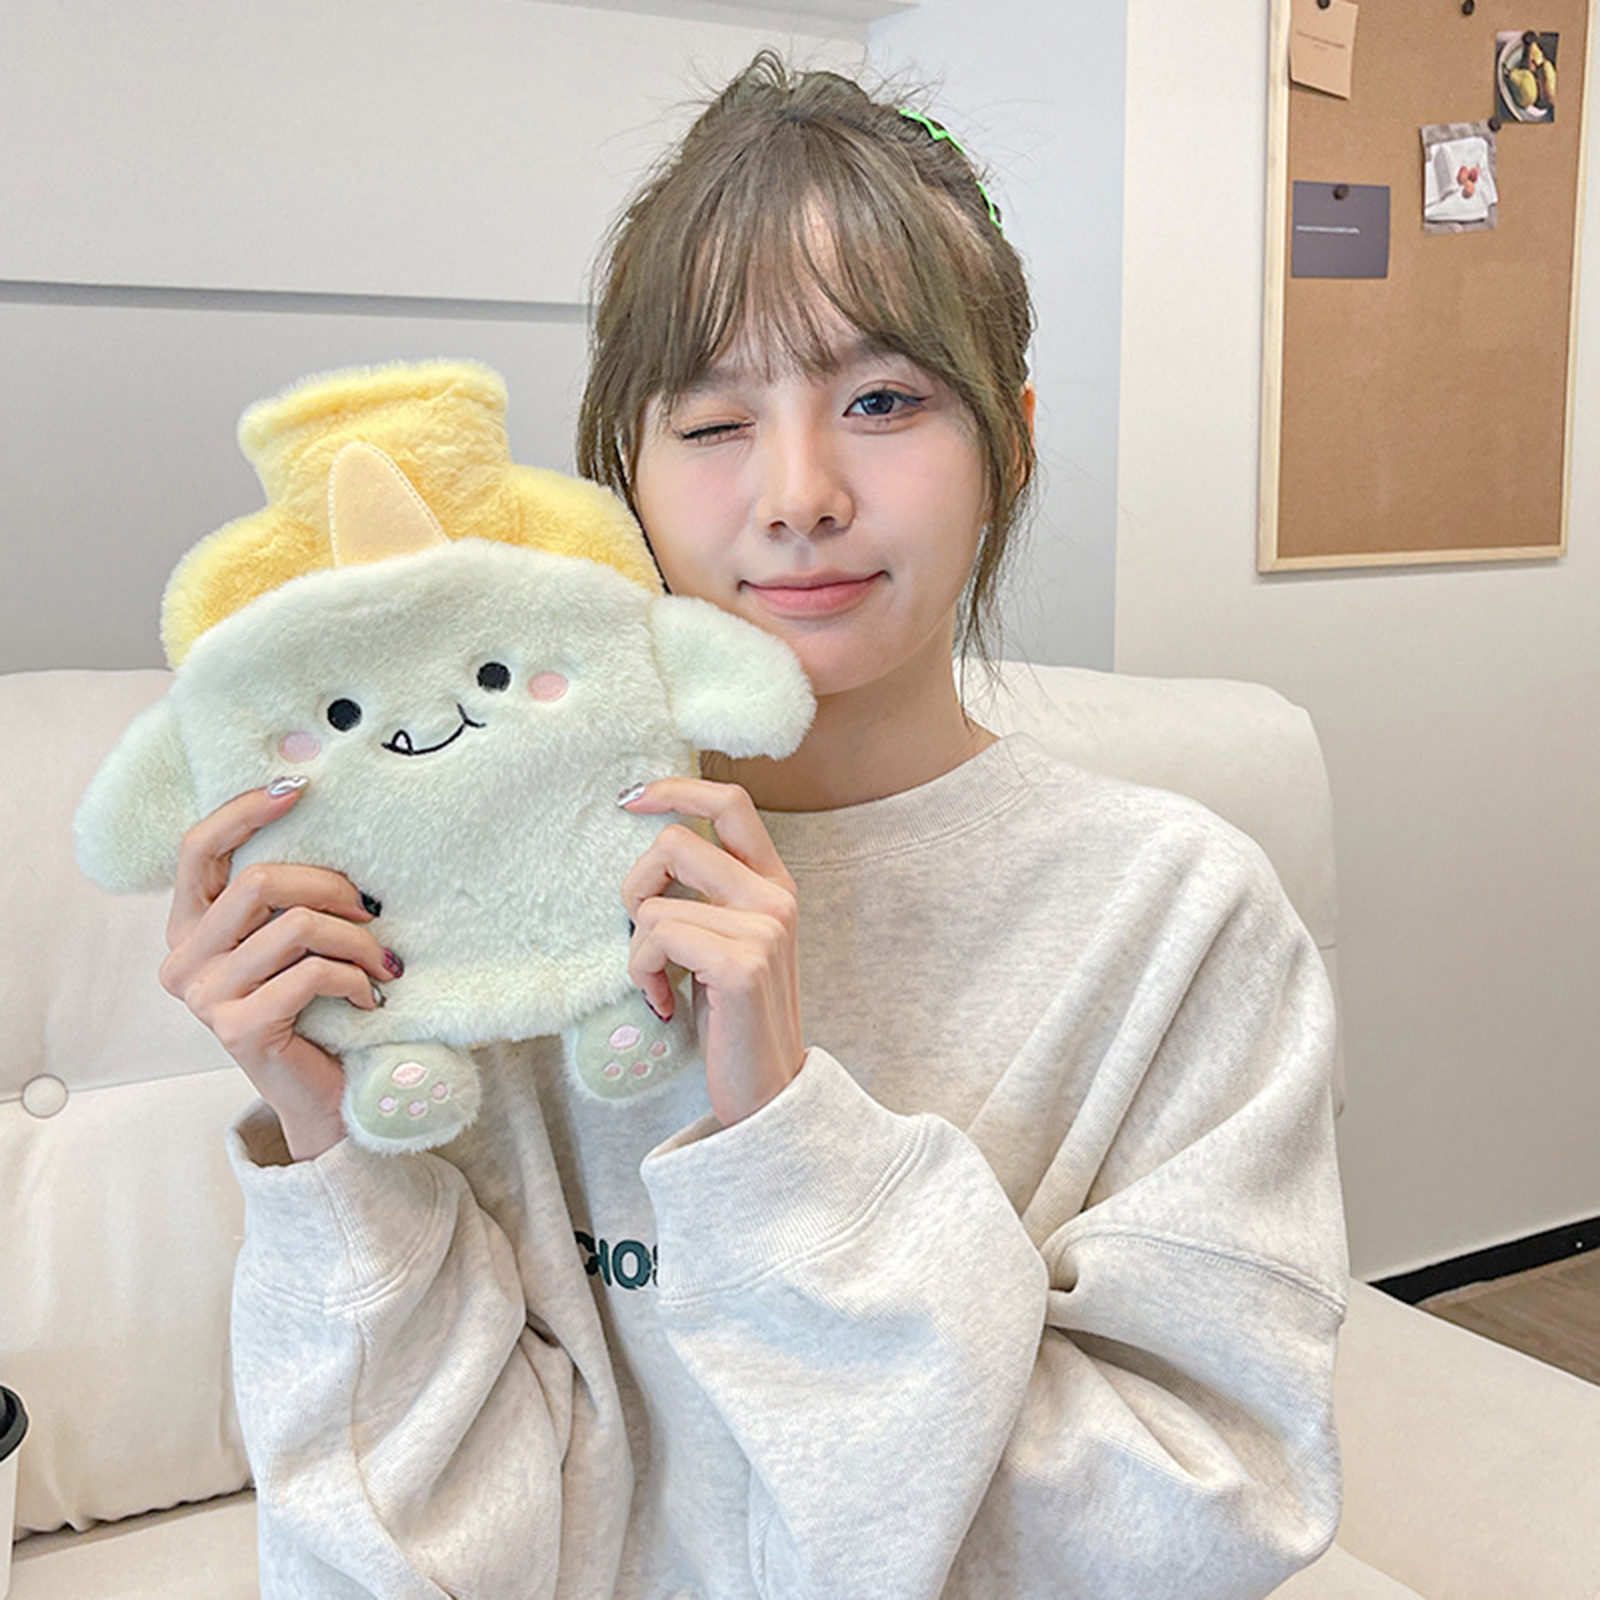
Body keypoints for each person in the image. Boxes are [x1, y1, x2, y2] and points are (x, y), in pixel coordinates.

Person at [159, 52, 1348, 1599]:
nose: (798, 493)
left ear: (1011, 441)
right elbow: (418, 1560)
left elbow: (1201, 1522)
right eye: (715, 419)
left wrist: (788, 1146)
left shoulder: (1178, 914)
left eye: (882, 400)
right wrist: (332, 1142)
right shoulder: (473, 930)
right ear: (624, 476)